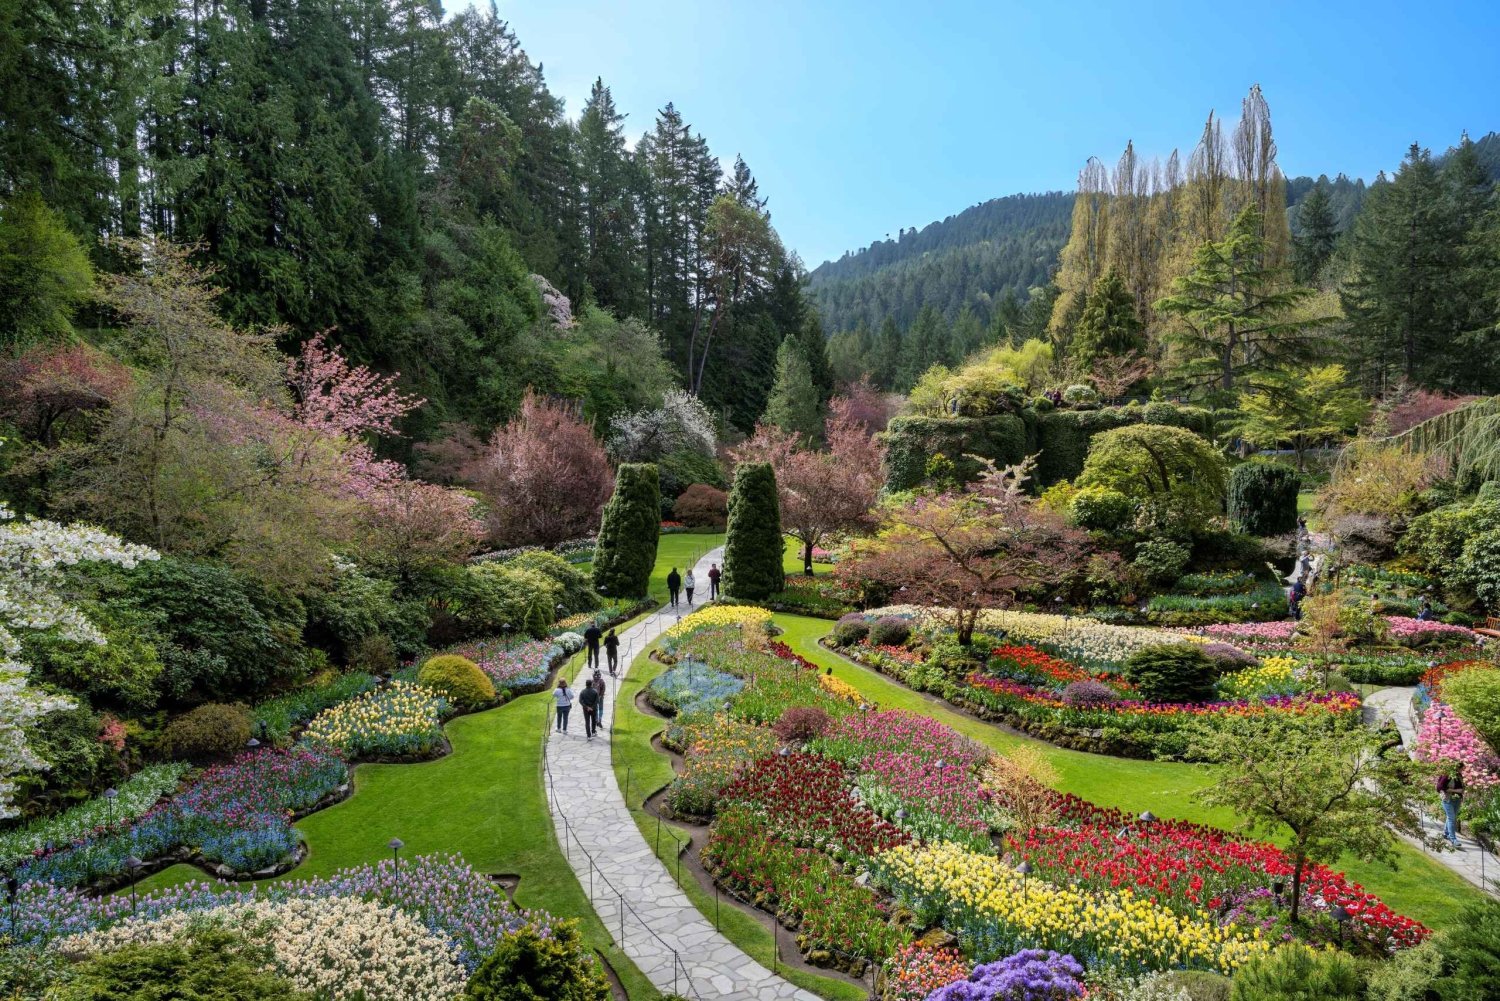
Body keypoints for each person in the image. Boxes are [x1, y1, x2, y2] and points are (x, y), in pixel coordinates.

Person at [1437, 765, 1465, 847]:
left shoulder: (1459, 776)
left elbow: (1462, 787)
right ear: (1456, 767)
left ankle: (1446, 834)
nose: (1463, 770)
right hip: (1448, 799)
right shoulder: (1447, 775)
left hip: (1457, 799)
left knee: (1451, 817)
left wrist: (1462, 790)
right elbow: (1439, 788)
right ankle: (1453, 839)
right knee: (1451, 818)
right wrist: (1455, 790)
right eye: (1461, 768)